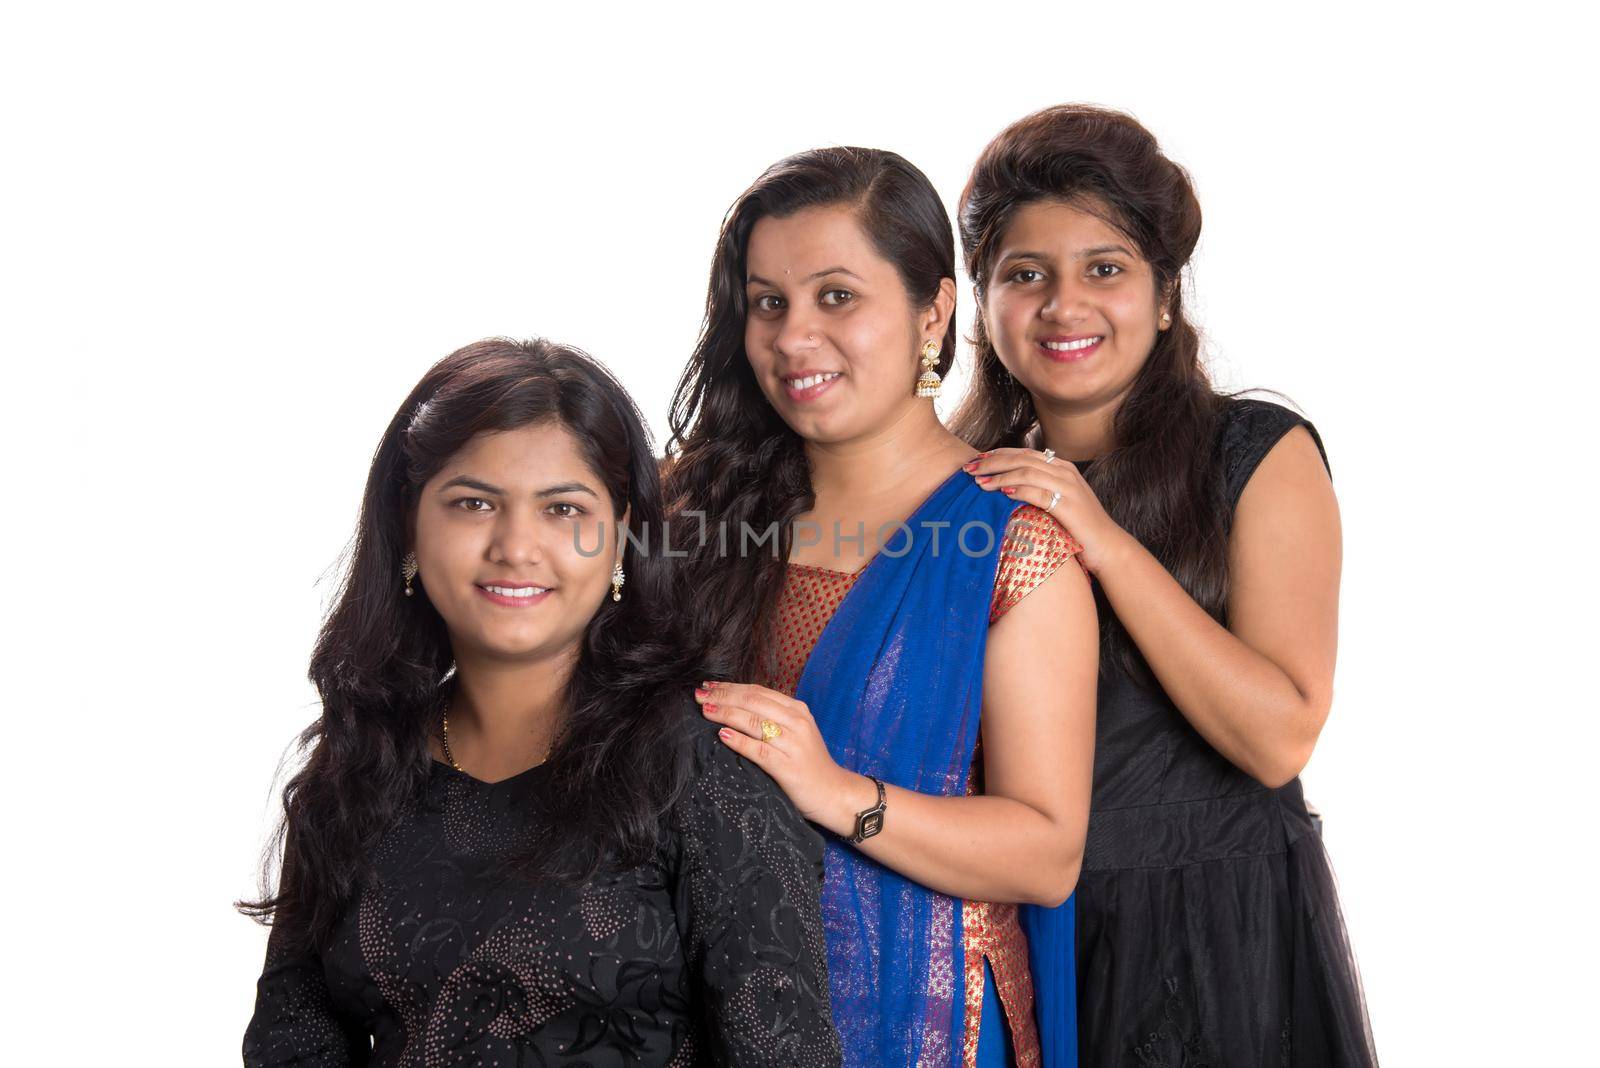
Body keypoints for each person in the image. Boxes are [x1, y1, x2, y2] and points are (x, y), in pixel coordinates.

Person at [240, 338, 841, 1067]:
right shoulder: (357, 765)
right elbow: (292, 1039)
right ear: (408, 524)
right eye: (472, 503)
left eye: (563, 508)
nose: (516, 545)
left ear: (623, 534)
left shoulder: (706, 771)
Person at [954, 105, 1378, 1066]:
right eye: (1026, 276)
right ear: (979, 304)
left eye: (1104, 269)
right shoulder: (954, 481)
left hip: (1215, 924)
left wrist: (1102, 542)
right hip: (1016, 931)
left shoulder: (1258, 455)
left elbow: (1278, 736)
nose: (1065, 305)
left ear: (1164, 293)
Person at [663, 148, 1098, 1068]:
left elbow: (1046, 850)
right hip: (708, 1001)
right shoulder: (697, 514)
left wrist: (835, 795)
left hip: (926, 1018)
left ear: (933, 311)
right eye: (768, 302)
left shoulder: (1008, 542)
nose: (792, 338)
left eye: (836, 297)